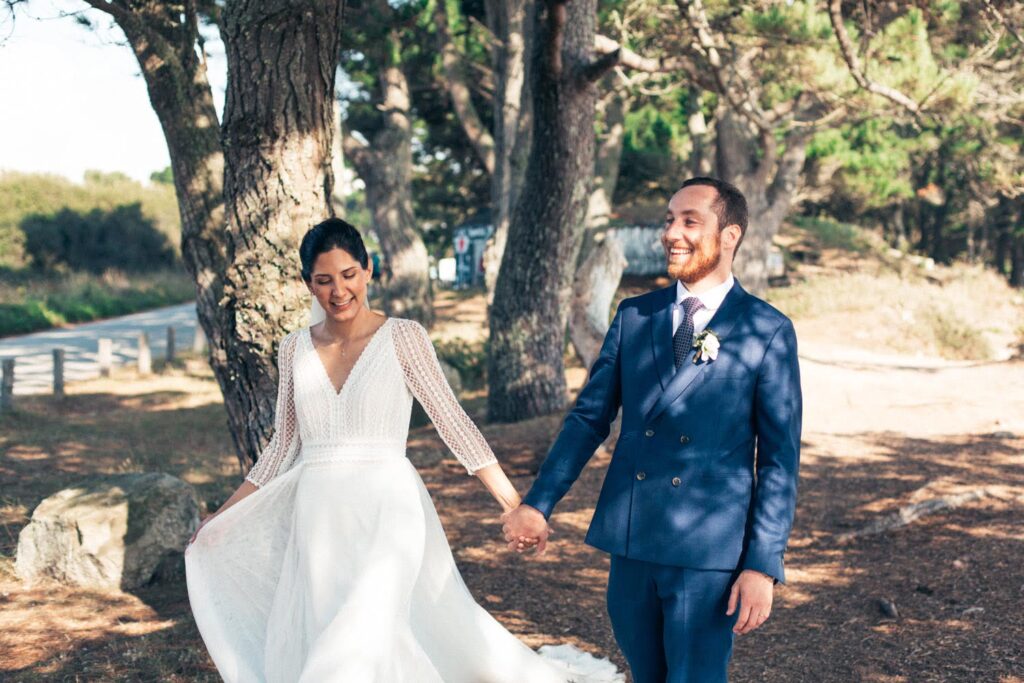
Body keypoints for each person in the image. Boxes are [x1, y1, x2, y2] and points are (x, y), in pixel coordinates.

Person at [185, 218, 616, 682]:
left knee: (359, 639)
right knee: (336, 633)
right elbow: (282, 447)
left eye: (348, 274)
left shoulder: (403, 337)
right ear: (307, 283)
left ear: (368, 270)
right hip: (319, 523)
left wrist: (516, 506)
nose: (338, 291)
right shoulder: (293, 349)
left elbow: (454, 423)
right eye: (324, 280)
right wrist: (223, 518)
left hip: (388, 511)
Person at [502, 177, 802, 682]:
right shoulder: (635, 316)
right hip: (632, 541)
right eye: (669, 220)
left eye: (690, 221)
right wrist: (538, 503)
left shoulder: (766, 329)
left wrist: (762, 564)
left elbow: (778, 462)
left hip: (708, 554)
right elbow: (589, 418)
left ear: (729, 236)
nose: (671, 233)